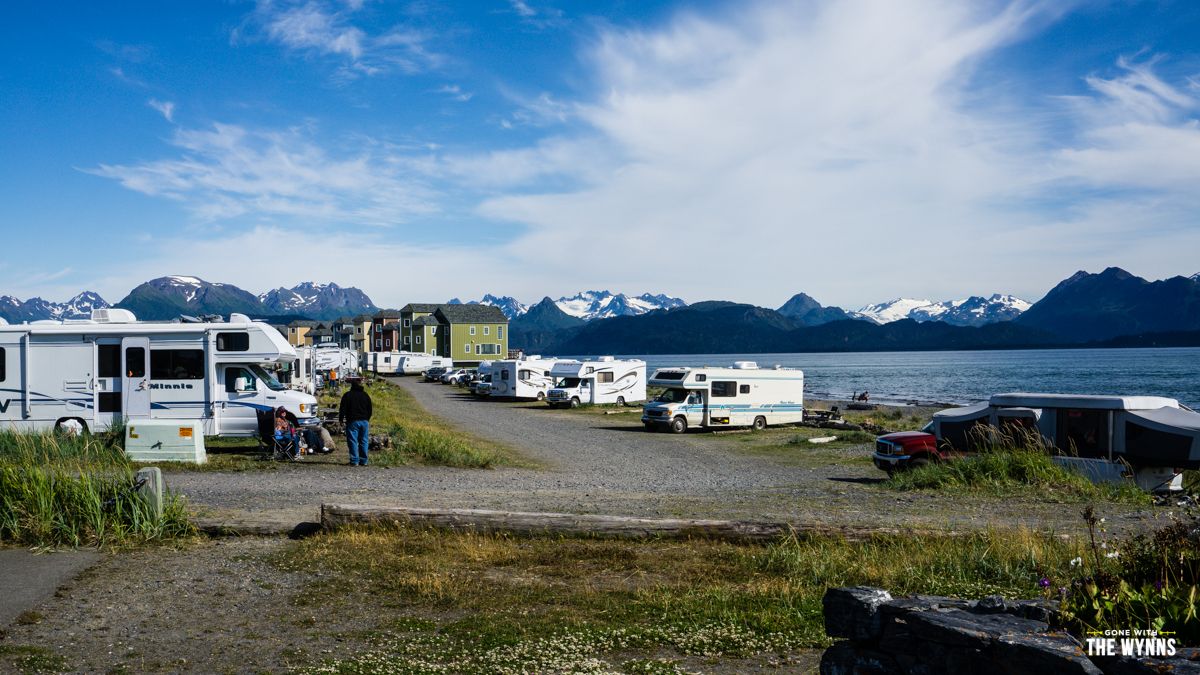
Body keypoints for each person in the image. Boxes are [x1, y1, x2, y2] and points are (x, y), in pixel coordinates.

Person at [339, 378, 373, 466]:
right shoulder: (365, 395)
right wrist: (367, 418)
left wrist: (341, 419)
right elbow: (370, 409)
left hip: (352, 421)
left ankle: (354, 461)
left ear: (352, 386)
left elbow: (342, 408)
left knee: (353, 441)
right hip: (364, 421)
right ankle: (364, 461)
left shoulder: (347, 395)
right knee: (364, 441)